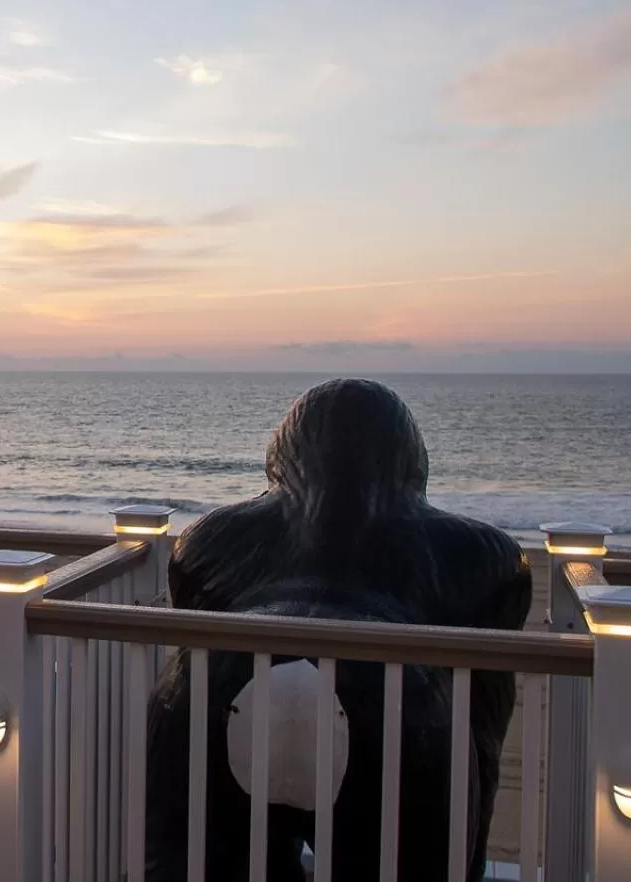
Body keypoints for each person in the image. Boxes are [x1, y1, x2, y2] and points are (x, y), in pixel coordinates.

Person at [146, 378, 531, 882]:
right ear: (409, 461)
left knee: (199, 864)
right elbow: (482, 722)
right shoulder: (484, 553)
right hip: (391, 699)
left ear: (284, 454)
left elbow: (191, 616)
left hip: (219, 684)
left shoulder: (209, 536)